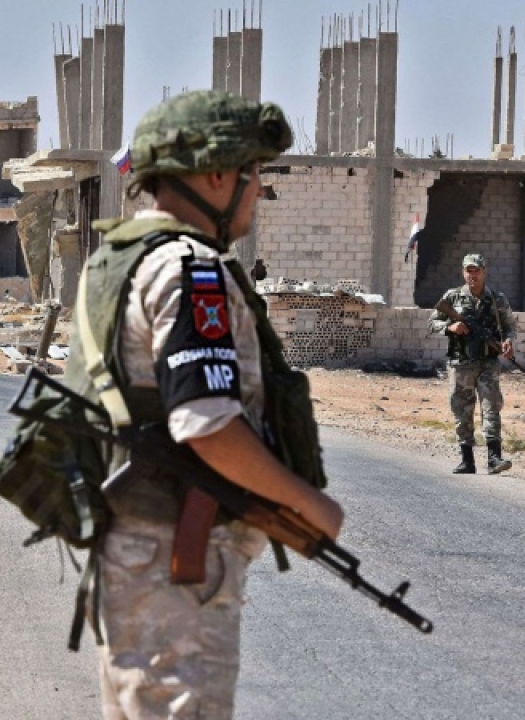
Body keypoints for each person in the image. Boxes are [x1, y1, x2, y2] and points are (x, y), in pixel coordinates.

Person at [70, 90, 344, 719]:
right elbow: (206, 422)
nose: (259, 191)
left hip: (134, 555)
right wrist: (307, 505)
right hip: (177, 573)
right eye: (254, 173)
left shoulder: (121, 261)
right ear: (217, 176)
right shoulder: (192, 272)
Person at [429, 253, 517, 475]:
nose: (473, 275)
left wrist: (508, 341)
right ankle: (467, 460)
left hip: (488, 362)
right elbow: (433, 322)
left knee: (491, 408)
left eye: (476, 270)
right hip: (461, 363)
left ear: (484, 272)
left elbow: (509, 326)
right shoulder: (453, 297)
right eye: (469, 270)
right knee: (462, 411)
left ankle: (494, 458)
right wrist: (450, 328)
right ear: (463, 272)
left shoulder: (497, 299)